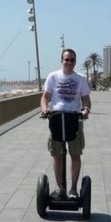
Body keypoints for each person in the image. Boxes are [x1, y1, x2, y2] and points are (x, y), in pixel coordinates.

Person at [40, 48, 91, 200]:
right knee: (57, 156)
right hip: (56, 119)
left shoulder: (80, 78)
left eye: (72, 60)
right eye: (66, 59)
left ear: (75, 62)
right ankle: (59, 187)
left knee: (75, 155)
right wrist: (44, 109)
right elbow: (45, 97)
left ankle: (73, 189)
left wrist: (86, 109)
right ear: (61, 60)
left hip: (74, 120)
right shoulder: (53, 77)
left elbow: (86, 99)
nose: (69, 62)